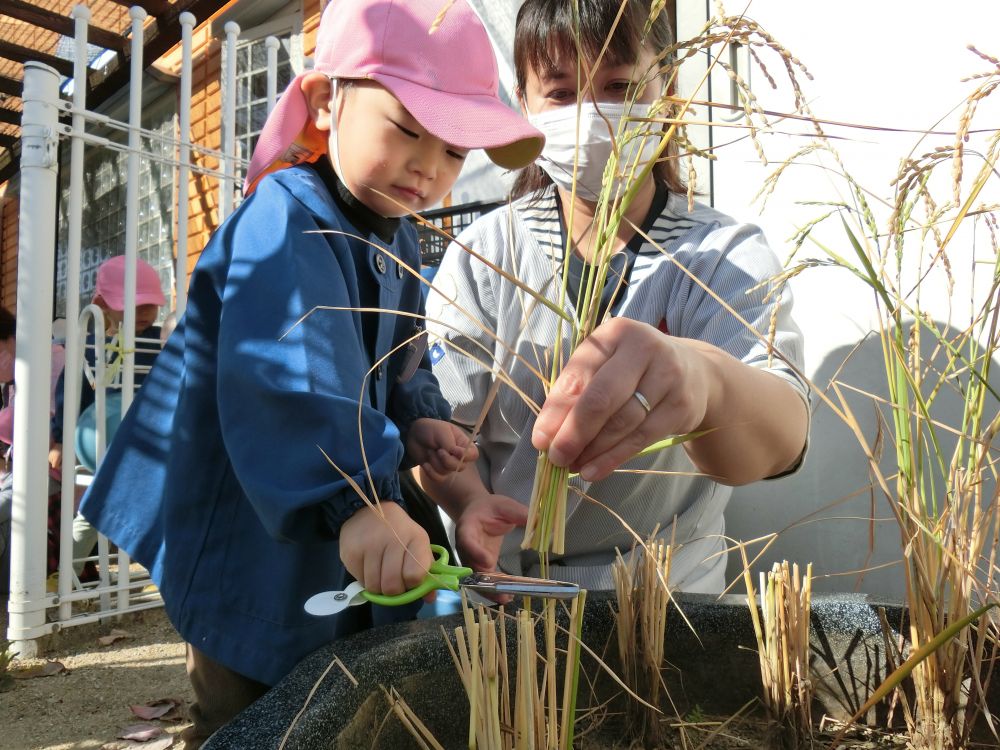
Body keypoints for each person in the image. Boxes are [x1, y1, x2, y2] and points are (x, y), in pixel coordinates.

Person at [78, 1, 543, 746]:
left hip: (325, 497)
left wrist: (420, 416)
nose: (430, 167)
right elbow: (289, 368)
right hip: (255, 507)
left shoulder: (400, 241)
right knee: (246, 698)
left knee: (322, 684)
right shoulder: (285, 215)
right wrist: (354, 497)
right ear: (328, 101)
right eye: (407, 130)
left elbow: (400, 354)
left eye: (455, 150)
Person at [421, 0, 809, 593]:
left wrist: (703, 380)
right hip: (510, 598)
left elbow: (784, 439)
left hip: (667, 603)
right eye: (560, 92)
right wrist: (471, 503)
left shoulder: (722, 254)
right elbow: (438, 433)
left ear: (668, 92)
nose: (594, 115)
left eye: (621, 86)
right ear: (522, 105)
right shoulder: (484, 254)